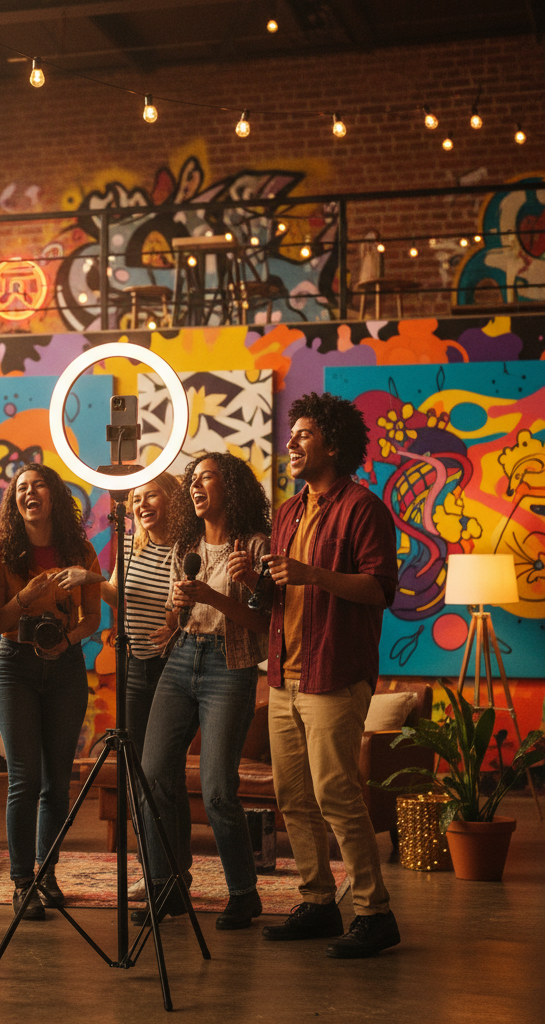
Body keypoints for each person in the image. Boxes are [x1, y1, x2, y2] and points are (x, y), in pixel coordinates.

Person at [258, 392, 400, 959]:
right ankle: (318, 901)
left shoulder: (363, 508)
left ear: (333, 445)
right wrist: (256, 576)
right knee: (291, 796)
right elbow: (280, 589)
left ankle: (375, 912)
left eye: (303, 434)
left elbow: (378, 588)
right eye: (291, 434)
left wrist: (312, 573)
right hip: (284, 672)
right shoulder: (289, 512)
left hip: (334, 672)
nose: (290, 442)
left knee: (336, 792)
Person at [133, 452, 271, 930]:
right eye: (192, 480)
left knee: (216, 791)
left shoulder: (254, 547)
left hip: (229, 667)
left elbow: (263, 625)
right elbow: (184, 612)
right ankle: (167, 886)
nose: (195, 486)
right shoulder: (186, 544)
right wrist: (174, 612)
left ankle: (244, 893)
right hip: (182, 658)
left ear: (229, 486)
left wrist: (214, 594)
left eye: (205, 478)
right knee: (152, 776)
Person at [0, 463, 102, 920]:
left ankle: (47, 873)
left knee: (57, 780)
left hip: (66, 667)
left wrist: (68, 641)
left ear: (53, 495)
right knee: (24, 779)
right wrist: (26, 599)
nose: (30, 493)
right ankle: (21, 882)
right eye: (21, 489)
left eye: (38, 486)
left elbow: (91, 619)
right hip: (15, 667)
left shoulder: (80, 551)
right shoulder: (0, 554)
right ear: (15, 504)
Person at [100, 472, 182, 760]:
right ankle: (139, 809)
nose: (142, 504)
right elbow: (116, 596)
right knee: (133, 756)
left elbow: (195, 606)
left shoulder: (186, 550)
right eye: (137, 499)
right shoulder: (129, 547)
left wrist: (178, 630)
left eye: (151, 495)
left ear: (173, 499)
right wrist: (87, 578)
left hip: (171, 666)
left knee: (161, 761)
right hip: (134, 664)